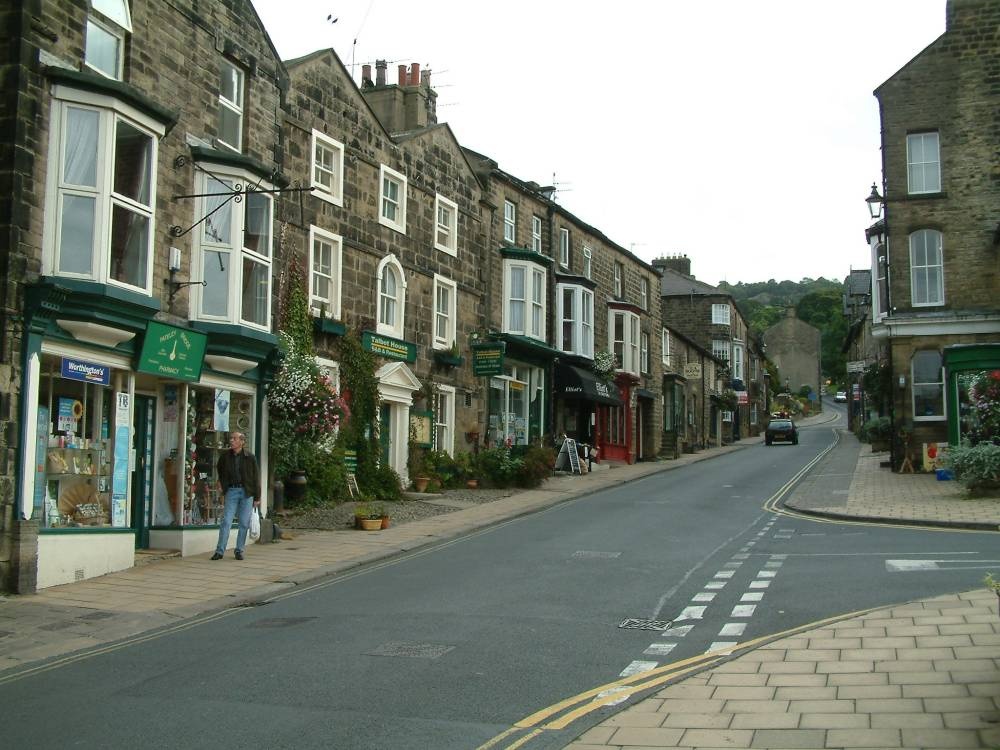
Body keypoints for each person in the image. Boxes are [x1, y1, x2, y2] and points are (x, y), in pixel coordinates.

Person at [211, 431, 260, 560]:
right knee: (226, 521)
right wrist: (222, 484)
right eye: (231, 438)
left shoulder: (250, 457)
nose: (231, 441)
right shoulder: (225, 456)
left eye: (234, 438)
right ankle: (220, 551)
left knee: (243, 523)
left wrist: (257, 497)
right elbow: (220, 470)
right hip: (232, 491)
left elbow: (256, 477)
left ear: (242, 442)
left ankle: (239, 550)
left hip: (246, 492)